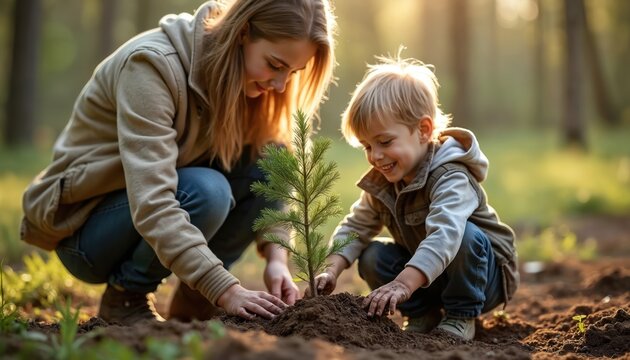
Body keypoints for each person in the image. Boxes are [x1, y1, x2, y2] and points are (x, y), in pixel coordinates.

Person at [20, 0, 336, 324]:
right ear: (242, 33)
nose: (281, 84)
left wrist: (277, 257)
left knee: (271, 159)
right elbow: (152, 200)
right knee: (208, 191)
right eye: (274, 64)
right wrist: (225, 289)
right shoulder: (151, 67)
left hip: (150, 211)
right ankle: (126, 298)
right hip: (88, 232)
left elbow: (273, 175)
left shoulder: (250, 83)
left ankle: (194, 302)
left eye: (293, 72)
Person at [312, 53, 519, 340]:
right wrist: (331, 269)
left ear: (423, 130)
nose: (375, 156)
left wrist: (403, 284)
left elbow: (445, 235)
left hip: (483, 279)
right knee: (373, 255)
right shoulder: (384, 183)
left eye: (384, 142)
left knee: (464, 236)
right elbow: (355, 227)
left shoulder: (451, 176)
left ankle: (462, 315)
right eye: (367, 147)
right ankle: (422, 313)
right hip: (428, 277)